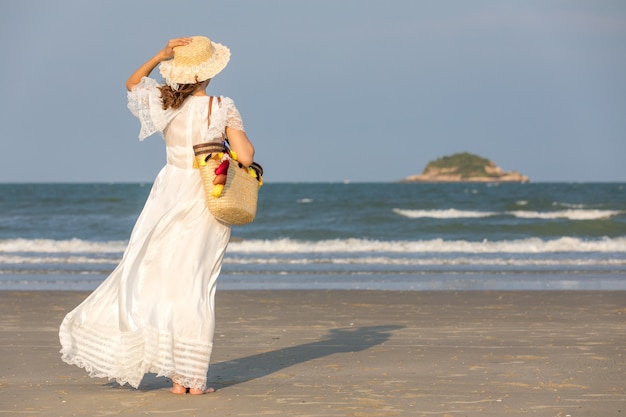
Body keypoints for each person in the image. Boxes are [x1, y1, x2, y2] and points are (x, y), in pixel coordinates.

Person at [59, 36, 254, 395]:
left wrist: (160, 55)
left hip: (166, 193)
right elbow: (245, 154)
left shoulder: (165, 101)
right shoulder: (221, 105)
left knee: (160, 278)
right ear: (209, 73)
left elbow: (132, 83)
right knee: (196, 285)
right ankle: (191, 380)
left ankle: (178, 377)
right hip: (204, 195)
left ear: (180, 71)